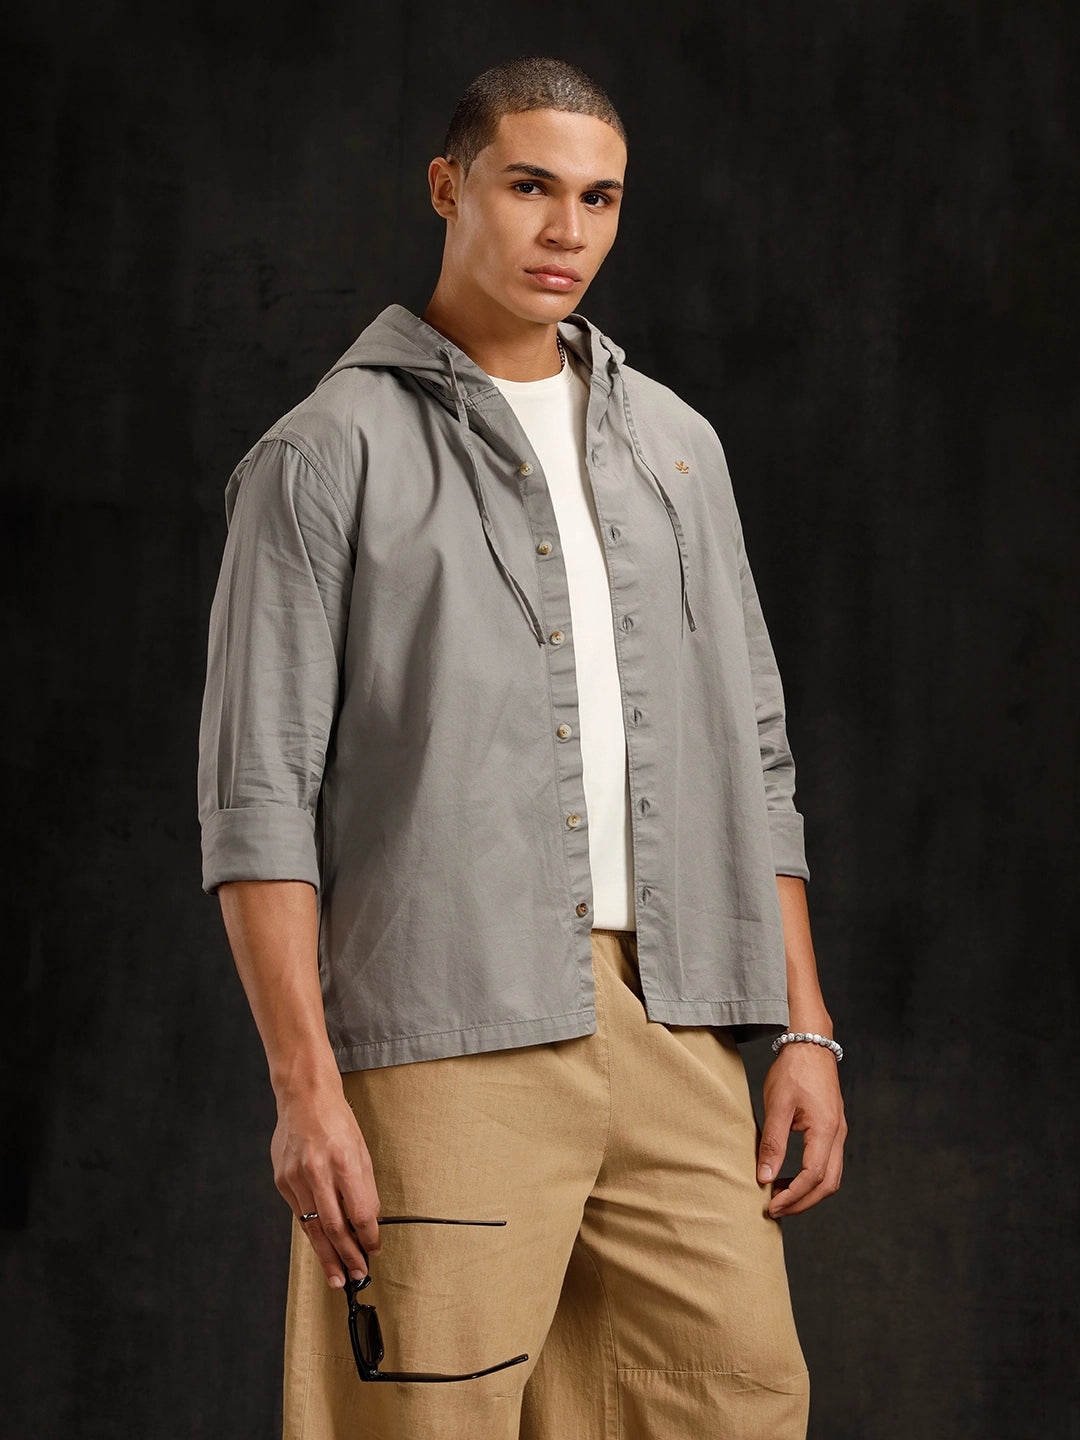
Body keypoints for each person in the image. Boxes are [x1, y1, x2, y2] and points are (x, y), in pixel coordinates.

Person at [198, 55, 846, 1440]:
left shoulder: (679, 449)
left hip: (677, 1024)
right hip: (445, 1038)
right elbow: (259, 803)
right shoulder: (323, 457)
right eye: (531, 186)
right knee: (422, 1416)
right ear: (448, 188)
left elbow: (759, 761)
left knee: (735, 1397)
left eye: (599, 199)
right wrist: (306, 1090)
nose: (568, 231)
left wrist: (805, 1028)